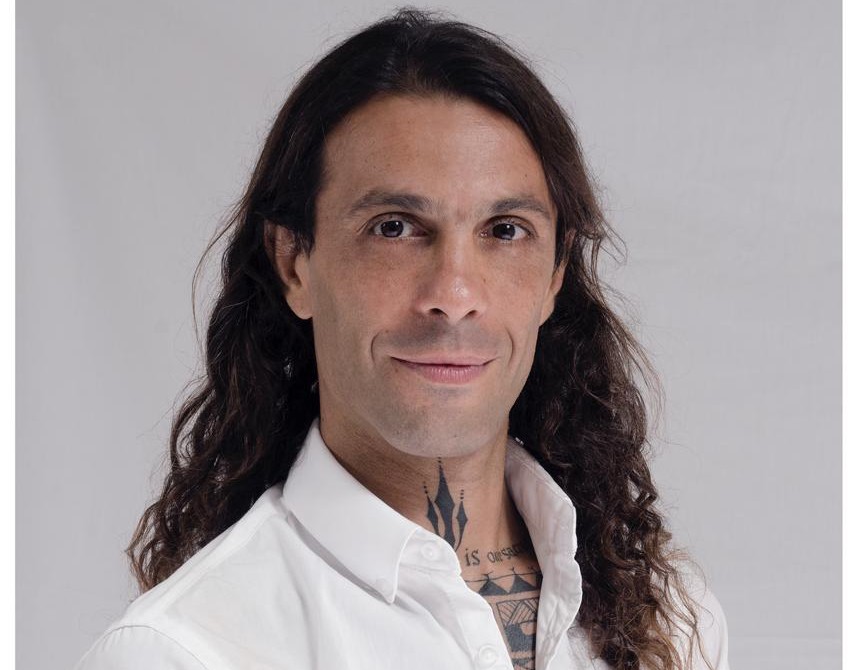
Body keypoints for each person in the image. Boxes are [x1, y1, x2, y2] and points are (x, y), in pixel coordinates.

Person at [75, 8, 729, 670]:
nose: (454, 293)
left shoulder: (674, 620)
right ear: (294, 263)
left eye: (504, 230)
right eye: (394, 227)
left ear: (555, 274)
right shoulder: (181, 653)